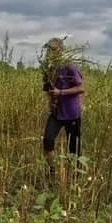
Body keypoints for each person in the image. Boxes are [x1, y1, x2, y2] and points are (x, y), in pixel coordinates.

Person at [41, 38, 85, 177]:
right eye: (49, 50)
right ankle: (51, 172)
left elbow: (81, 88)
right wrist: (51, 100)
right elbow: (48, 89)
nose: (50, 52)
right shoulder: (50, 69)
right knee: (48, 140)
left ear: (61, 50)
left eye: (53, 49)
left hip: (71, 113)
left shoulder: (70, 67)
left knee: (74, 148)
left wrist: (60, 93)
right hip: (56, 113)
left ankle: (75, 177)